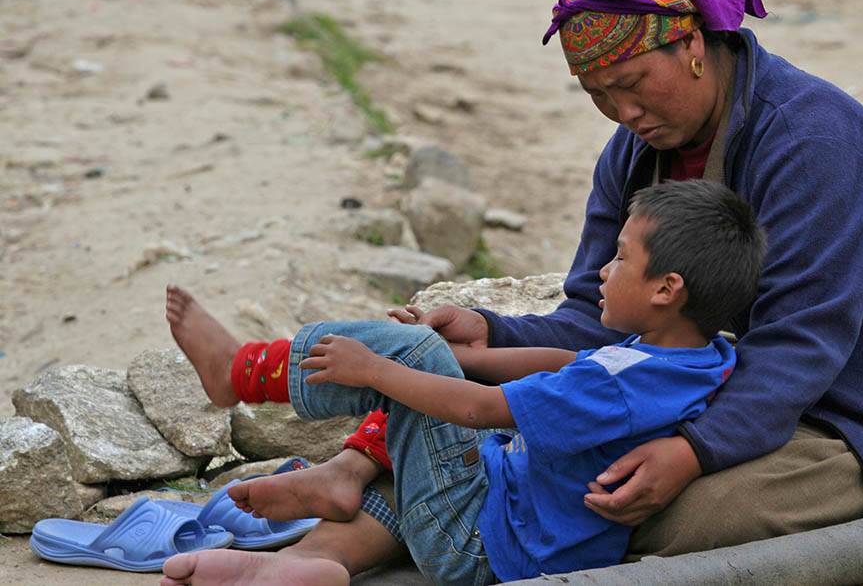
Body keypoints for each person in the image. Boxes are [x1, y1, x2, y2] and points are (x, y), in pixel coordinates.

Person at [162, 0, 863, 585]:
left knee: (660, 506)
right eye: (597, 94)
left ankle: (375, 504)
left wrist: (694, 451)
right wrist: (491, 331)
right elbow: (593, 316)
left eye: (633, 82)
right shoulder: (635, 152)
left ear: (692, 43)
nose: (622, 111)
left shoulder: (815, 140)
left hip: (839, 419)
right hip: (680, 389)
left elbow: (801, 344)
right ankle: (315, 559)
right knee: (520, 450)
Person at [161, 180, 766, 585]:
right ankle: (293, 568)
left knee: (414, 358)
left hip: (475, 544)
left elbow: (478, 411)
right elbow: (564, 364)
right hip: (502, 519)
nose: (603, 271)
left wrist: (381, 368)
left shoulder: (618, 389)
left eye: (621, 258)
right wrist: (466, 356)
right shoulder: (692, 355)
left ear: (666, 289)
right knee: (431, 379)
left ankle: (240, 372)